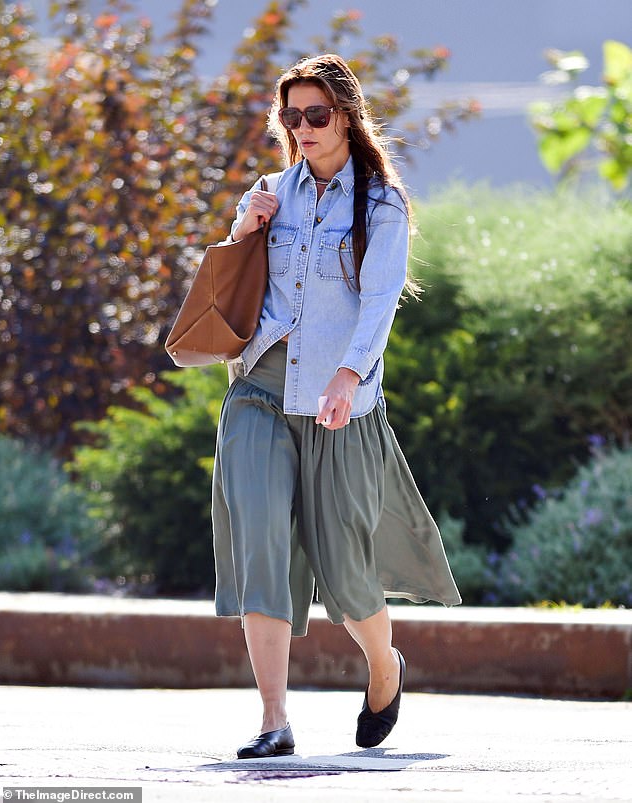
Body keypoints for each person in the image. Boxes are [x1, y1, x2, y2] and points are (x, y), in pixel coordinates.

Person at [211, 53, 461, 759]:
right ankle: (272, 718)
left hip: (338, 404)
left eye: (316, 114)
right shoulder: (269, 192)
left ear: (346, 116)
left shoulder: (380, 203)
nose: (303, 128)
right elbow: (229, 290)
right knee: (260, 545)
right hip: (257, 392)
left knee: (346, 571)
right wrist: (242, 230)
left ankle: (385, 664)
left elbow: (379, 302)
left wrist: (349, 375)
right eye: (290, 116)